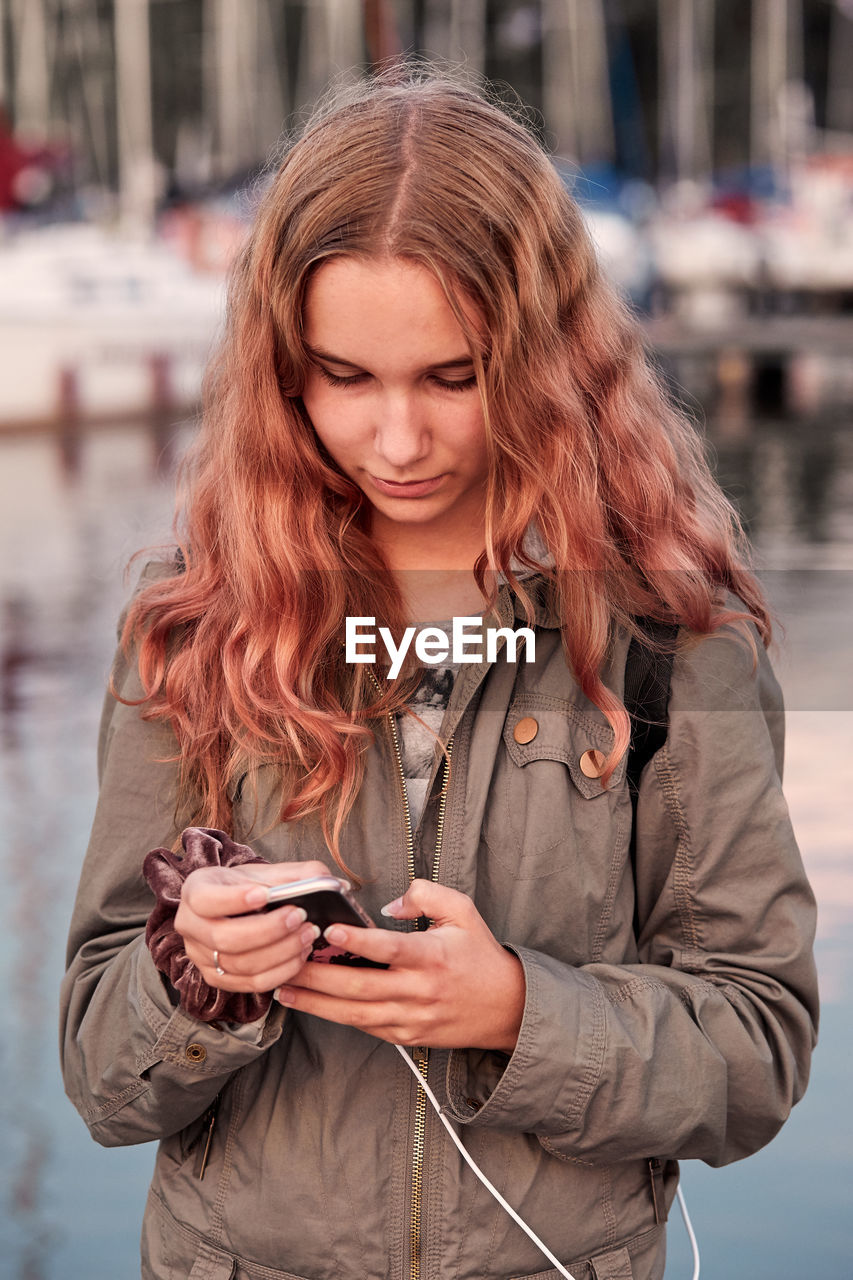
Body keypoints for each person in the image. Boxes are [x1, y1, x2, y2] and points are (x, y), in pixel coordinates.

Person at [60, 68, 818, 1280]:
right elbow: (101, 1076)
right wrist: (199, 980)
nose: (397, 442)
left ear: (545, 355)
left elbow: (758, 1050)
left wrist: (523, 1013)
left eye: (451, 379)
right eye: (345, 378)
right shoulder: (191, 625)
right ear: (281, 365)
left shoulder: (677, 639)